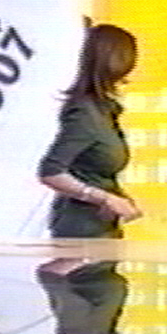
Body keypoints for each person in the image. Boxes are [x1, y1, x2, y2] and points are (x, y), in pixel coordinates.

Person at [38, 24, 143, 239]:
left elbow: (92, 173)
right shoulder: (85, 113)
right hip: (82, 233)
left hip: (101, 228)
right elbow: (50, 171)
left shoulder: (103, 111)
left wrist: (117, 198)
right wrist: (105, 199)